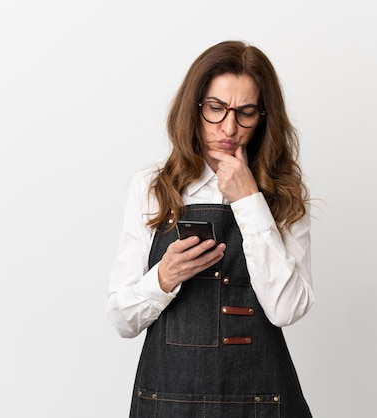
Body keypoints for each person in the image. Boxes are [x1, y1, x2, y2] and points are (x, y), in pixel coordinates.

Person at [107, 40, 314, 417]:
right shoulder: (152, 187)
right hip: (168, 402)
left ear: (264, 117)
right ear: (194, 107)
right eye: (216, 109)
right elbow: (122, 319)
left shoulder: (283, 194)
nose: (229, 128)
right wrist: (163, 278)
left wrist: (249, 200)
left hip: (260, 402)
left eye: (246, 112)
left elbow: (286, 309)